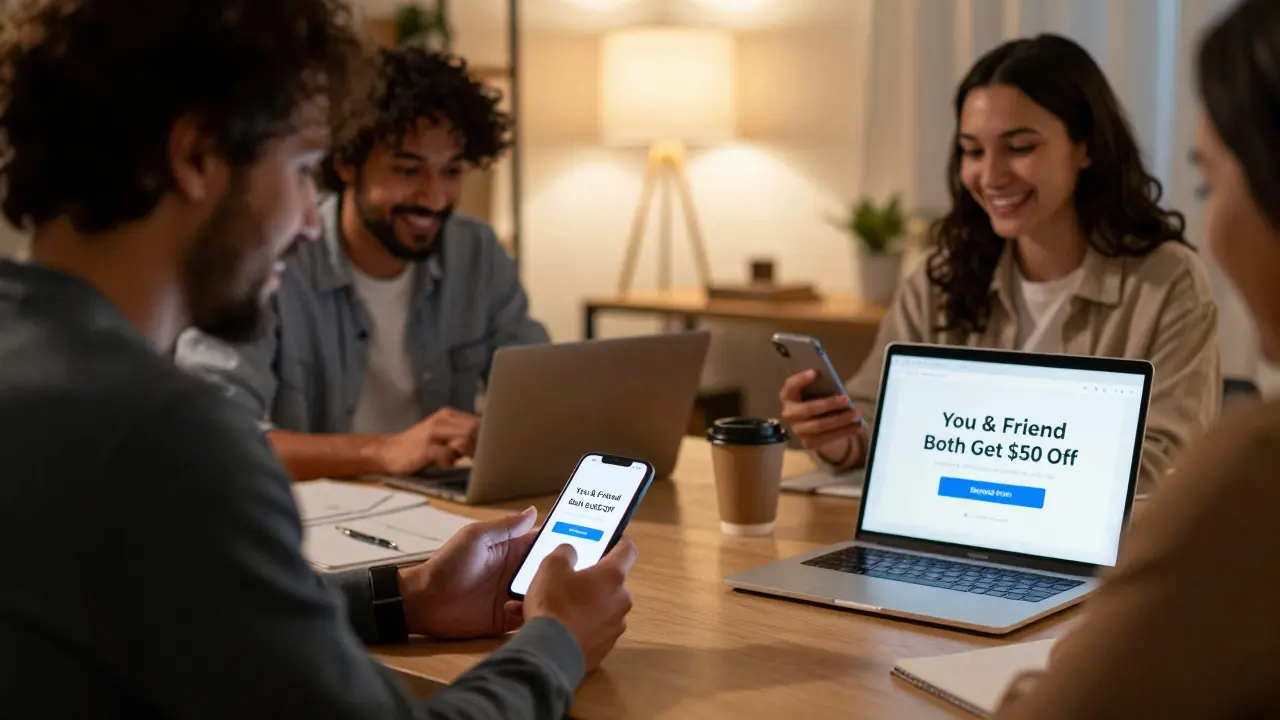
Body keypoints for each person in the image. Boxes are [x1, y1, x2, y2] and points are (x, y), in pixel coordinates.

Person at [0, 1, 632, 717]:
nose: (310, 218)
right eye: (303, 168)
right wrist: (556, 640)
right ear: (196, 155)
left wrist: (408, 595)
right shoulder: (170, 442)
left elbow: (181, 605)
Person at [993, 0, 1280, 715]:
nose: (992, 172)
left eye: (1212, 184)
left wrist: (1086, 662)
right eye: (972, 149)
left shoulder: (1259, 465)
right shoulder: (949, 269)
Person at [781, 34, 1221, 492]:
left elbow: (1171, 462)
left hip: (1104, 559)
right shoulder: (940, 279)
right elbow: (876, 419)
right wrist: (836, 438)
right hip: (953, 538)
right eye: (973, 151)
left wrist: (996, 477)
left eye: (1020, 147)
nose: (990, 176)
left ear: (1085, 147)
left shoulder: (1168, 282)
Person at [174, 45, 548, 482]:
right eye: (408, 171)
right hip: (316, 523)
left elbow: (538, 399)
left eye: (451, 172)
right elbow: (212, 436)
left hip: (444, 507)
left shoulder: (477, 253)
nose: (434, 197)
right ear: (347, 163)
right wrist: (385, 451)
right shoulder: (273, 259)